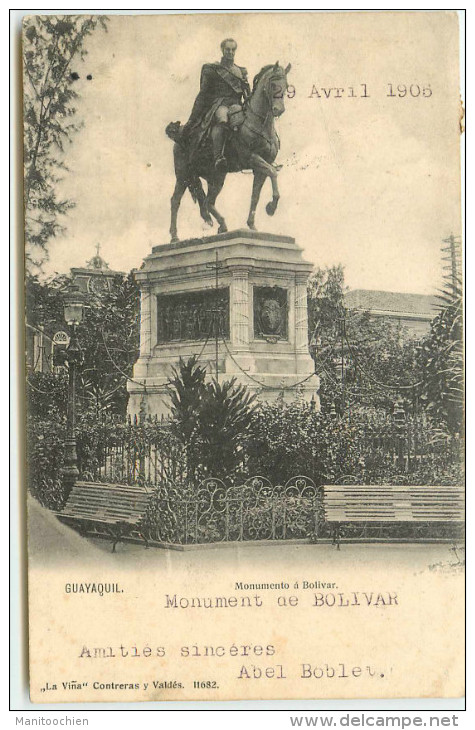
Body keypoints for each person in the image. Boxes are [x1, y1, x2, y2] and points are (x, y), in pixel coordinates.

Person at [182, 38, 250, 171]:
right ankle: (219, 157)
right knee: (223, 120)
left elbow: (246, 92)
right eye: (227, 49)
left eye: (233, 50)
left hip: (237, 105)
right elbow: (204, 94)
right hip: (220, 104)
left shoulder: (241, 71)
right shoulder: (213, 69)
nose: (230, 52)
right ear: (223, 50)